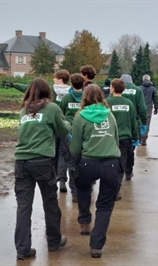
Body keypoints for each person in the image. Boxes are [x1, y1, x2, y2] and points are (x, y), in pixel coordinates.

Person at [14, 78, 70, 260]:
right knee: (50, 202)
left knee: (24, 206)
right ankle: (54, 241)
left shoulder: (24, 110)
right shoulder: (52, 108)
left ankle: (23, 249)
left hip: (21, 161)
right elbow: (62, 131)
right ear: (48, 92)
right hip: (42, 162)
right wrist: (68, 124)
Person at [69, 84, 121, 258]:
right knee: (105, 205)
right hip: (111, 163)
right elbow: (116, 139)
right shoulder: (110, 114)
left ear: (85, 97)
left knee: (83, 190)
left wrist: (75, 159)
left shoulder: (79, 117)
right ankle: (96, 245)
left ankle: (84, 221)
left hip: (88, 163)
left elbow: (75, 147)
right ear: (102, 96)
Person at [106, 78, 138, 200]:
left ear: (112, 88)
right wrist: (135, 137)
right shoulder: (128, 103)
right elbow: (133, 122)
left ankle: (107, 189)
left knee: (109, 164)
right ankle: (116, 191)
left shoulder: (106, 102)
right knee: (120, 166)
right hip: (124, 138)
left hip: (109, 138)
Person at [59, 73, 84, 201]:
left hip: (68, 132)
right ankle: (79, 189)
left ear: (71, 84)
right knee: (80, 160)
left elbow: (61, 114)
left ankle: (64, 182)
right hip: (83, 132)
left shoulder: (67, 98)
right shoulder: (86, 97)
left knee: (66, 158)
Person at [120, 74, 147, 180]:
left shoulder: (118, 88)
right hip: (133, 123)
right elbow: (142, 108)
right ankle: (128, 170)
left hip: (119, 123)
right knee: (131, 149)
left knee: (119, 148)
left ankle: (120, 169)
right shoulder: (137, 90)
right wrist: (144, 122)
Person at [140, 74, 158, 146]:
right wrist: (156, 108)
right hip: (148, 109)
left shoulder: (139, 88)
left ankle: (139, 138)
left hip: (140, 109)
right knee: (146, 124)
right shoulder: (153, 89)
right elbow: (155, 99)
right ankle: (144, 139)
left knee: (139, 124)